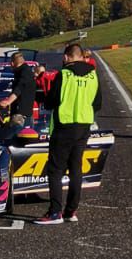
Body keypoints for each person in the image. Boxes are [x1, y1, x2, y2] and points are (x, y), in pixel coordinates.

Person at [35, 43, 101, 225]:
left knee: (55, 170)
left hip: (64, 125)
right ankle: (71, 211)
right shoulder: (93, 75)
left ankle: (55, 212)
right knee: (75, 168)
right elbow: (97, 103)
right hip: (84, 125)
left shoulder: (63, 75)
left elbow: (51, 101)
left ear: (66, 57)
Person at [0, 51, 38, 141]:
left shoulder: (24, 73)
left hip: (21, 114)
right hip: (25, 113)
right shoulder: (25, 72)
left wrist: (8, 101)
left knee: (13, 139)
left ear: (12, 63)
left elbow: (19, 88)